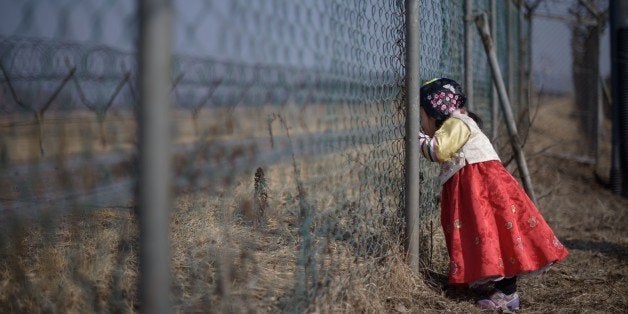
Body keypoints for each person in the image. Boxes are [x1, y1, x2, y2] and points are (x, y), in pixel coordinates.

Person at [417, 78, 569, 311]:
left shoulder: (457, 123)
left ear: (435, 112)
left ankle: (507, 294)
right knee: (485, 232)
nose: (420, 122)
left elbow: (438, 150)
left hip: (480, 188)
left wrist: (416, 138)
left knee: (493, 233)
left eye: (421, 116)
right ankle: (496, 284)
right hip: (476, 188)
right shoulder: (457, 122)